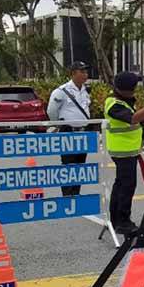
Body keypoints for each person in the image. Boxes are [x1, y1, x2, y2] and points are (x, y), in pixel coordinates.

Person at [104, 72, 144, 235]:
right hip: (122, 151)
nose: (135, 90)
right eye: (133, 88)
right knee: (127, 186)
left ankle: (116, 219)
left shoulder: (123, 100)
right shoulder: (114, 104)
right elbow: (133, 119)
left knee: (120, 184)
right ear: (124, 89)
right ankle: (123, 222)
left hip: (127, 150)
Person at [47, 61, 92, 196]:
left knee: (80, 166)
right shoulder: (61, 91)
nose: (85, 74)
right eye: (82, 71)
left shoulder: (85, 90)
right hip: (68, 132)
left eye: (86, 71)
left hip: (83, 132)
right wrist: (59, 125)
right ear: (73, 74)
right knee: (68, 165)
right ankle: (67, 194)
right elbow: (51, 111)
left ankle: (76, 193)